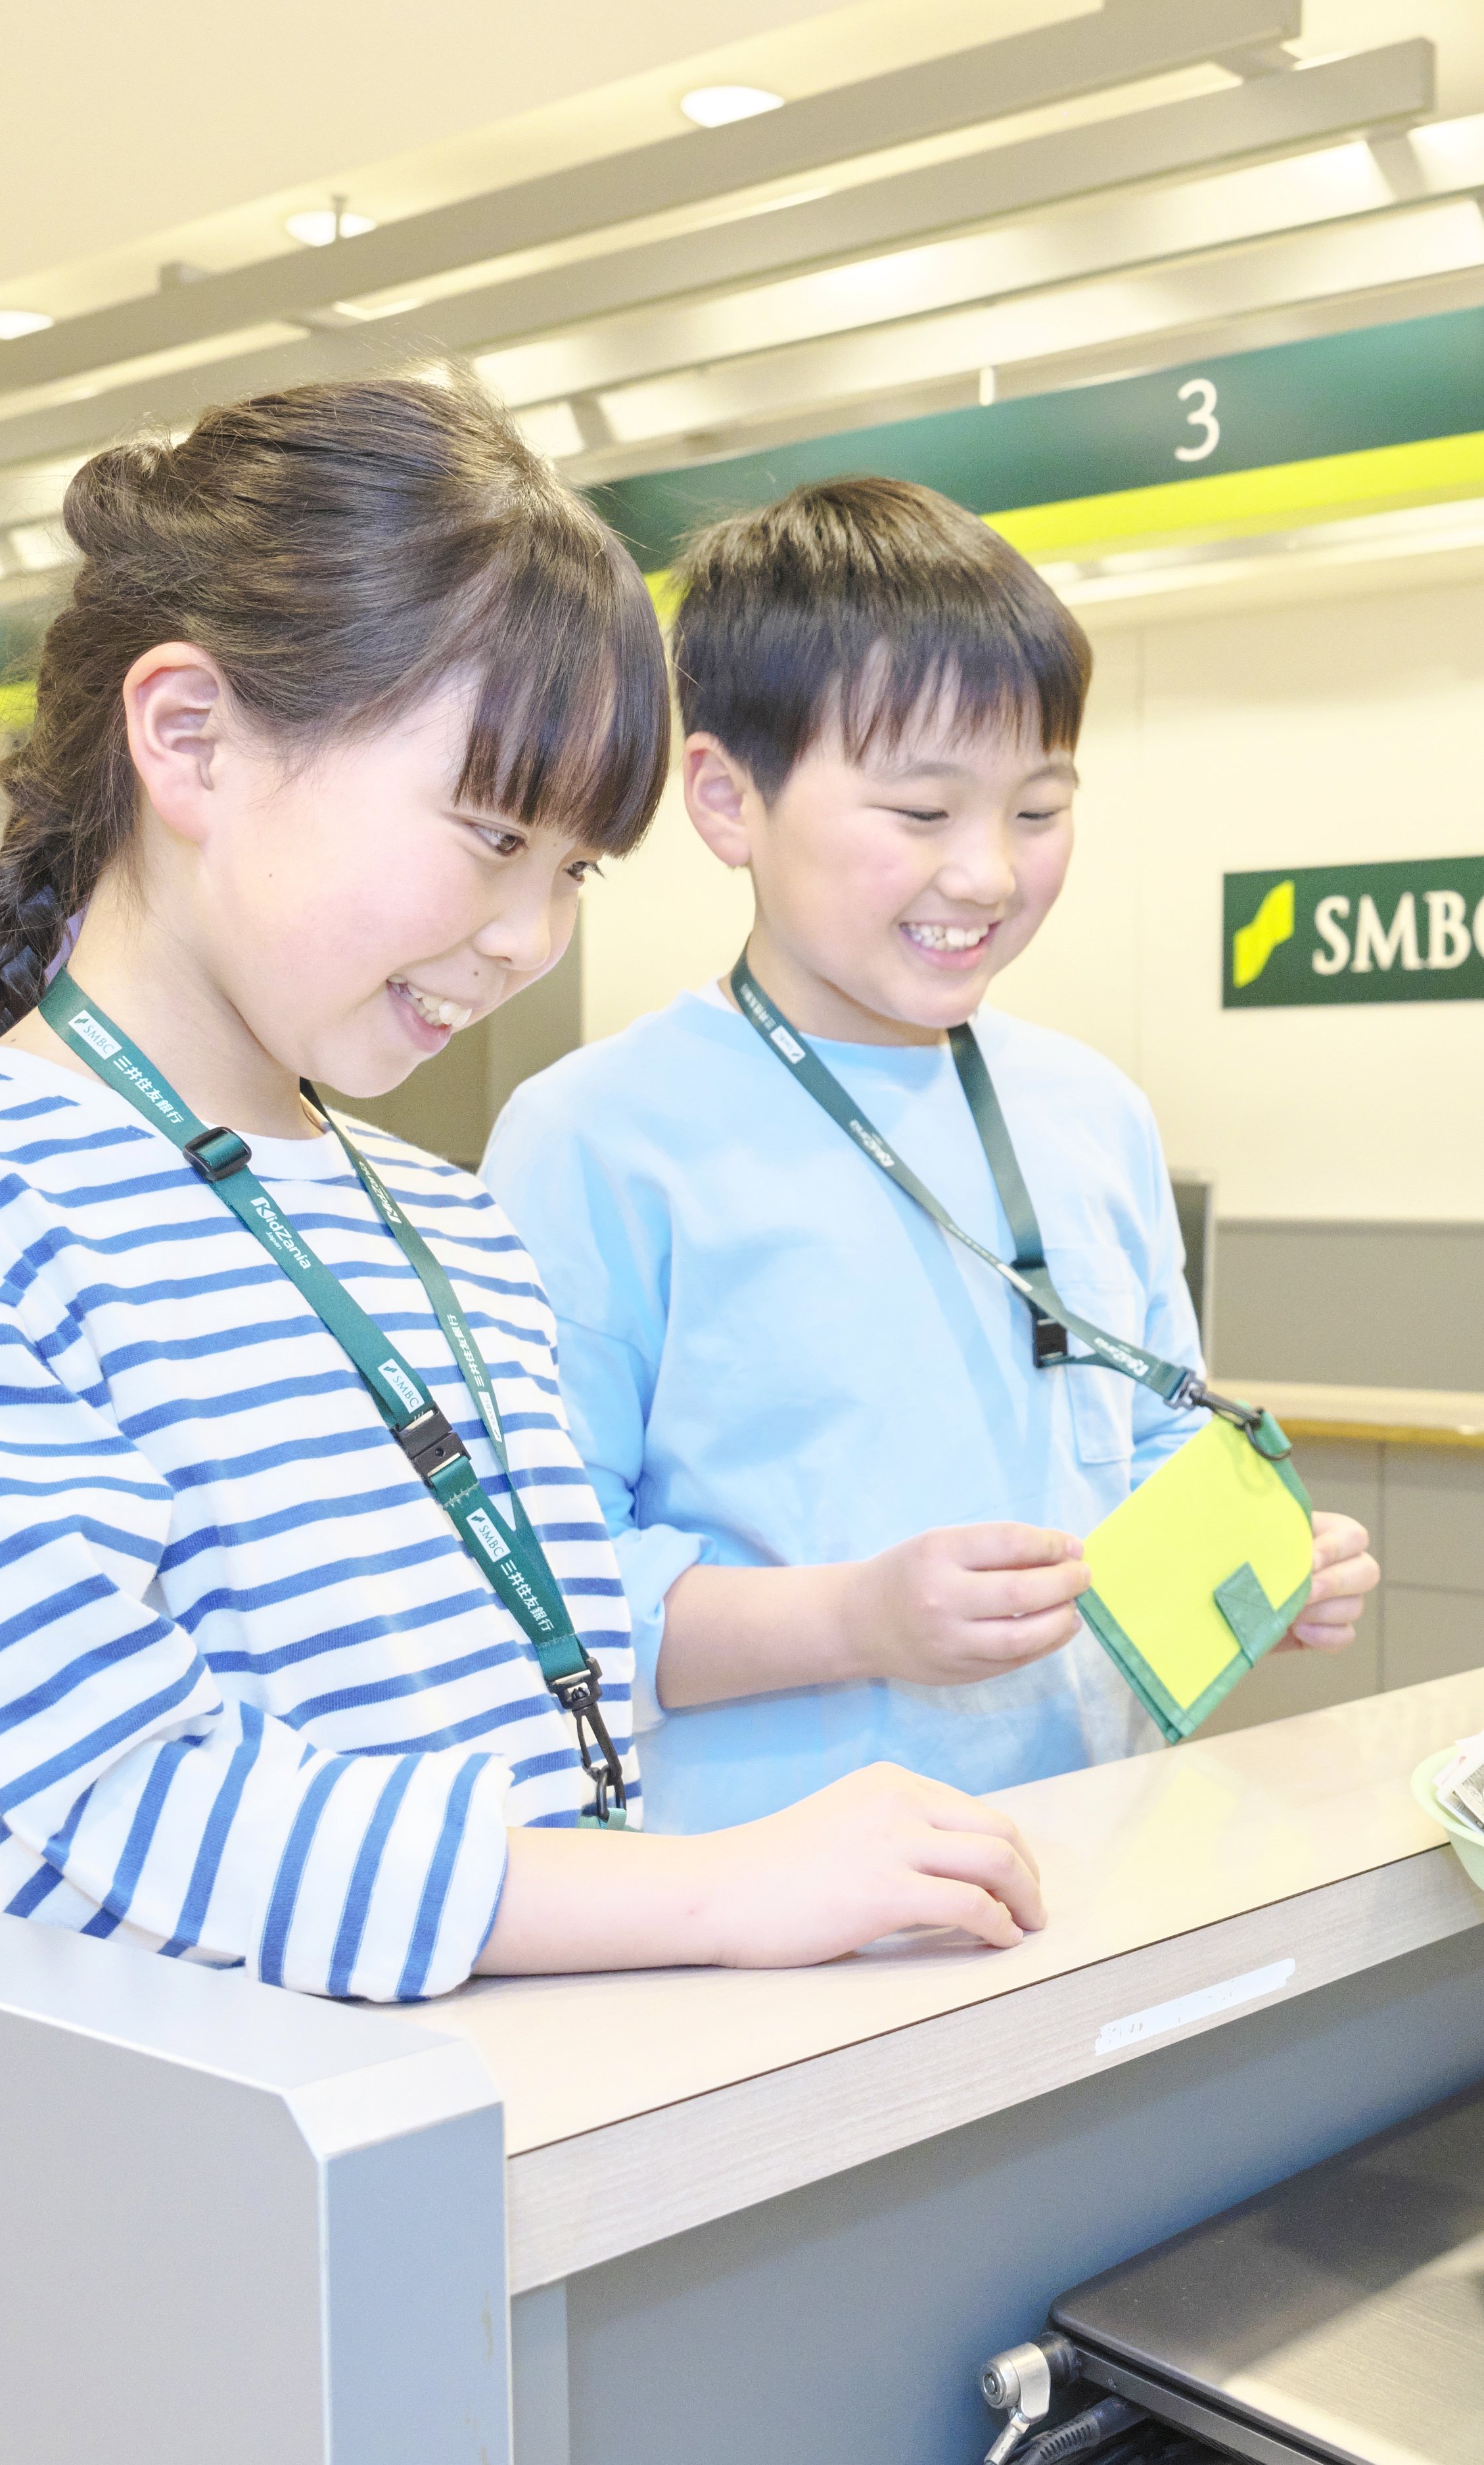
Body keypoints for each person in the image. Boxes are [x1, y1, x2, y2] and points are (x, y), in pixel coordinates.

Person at [0, 379, 1046, 2001]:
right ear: (189, 737)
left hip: (537, 2137)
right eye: (491, 838)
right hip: (214, 2203)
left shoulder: (451, 1224)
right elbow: (89, 1813)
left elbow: (552, 1697)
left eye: (574, 872)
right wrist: (706, 1890)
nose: (527, 937)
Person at [485, 477, 1375, 1836]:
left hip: (1097, 1849)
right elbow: (540, 1602)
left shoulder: (1092, 1112)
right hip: (761, 1904)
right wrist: (855, 1619)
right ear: (726, 801)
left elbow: (1147, 1457)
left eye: (1036, 811)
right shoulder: (597, 1139)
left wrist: (1260, 1569)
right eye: (920, 813)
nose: (987, 875)